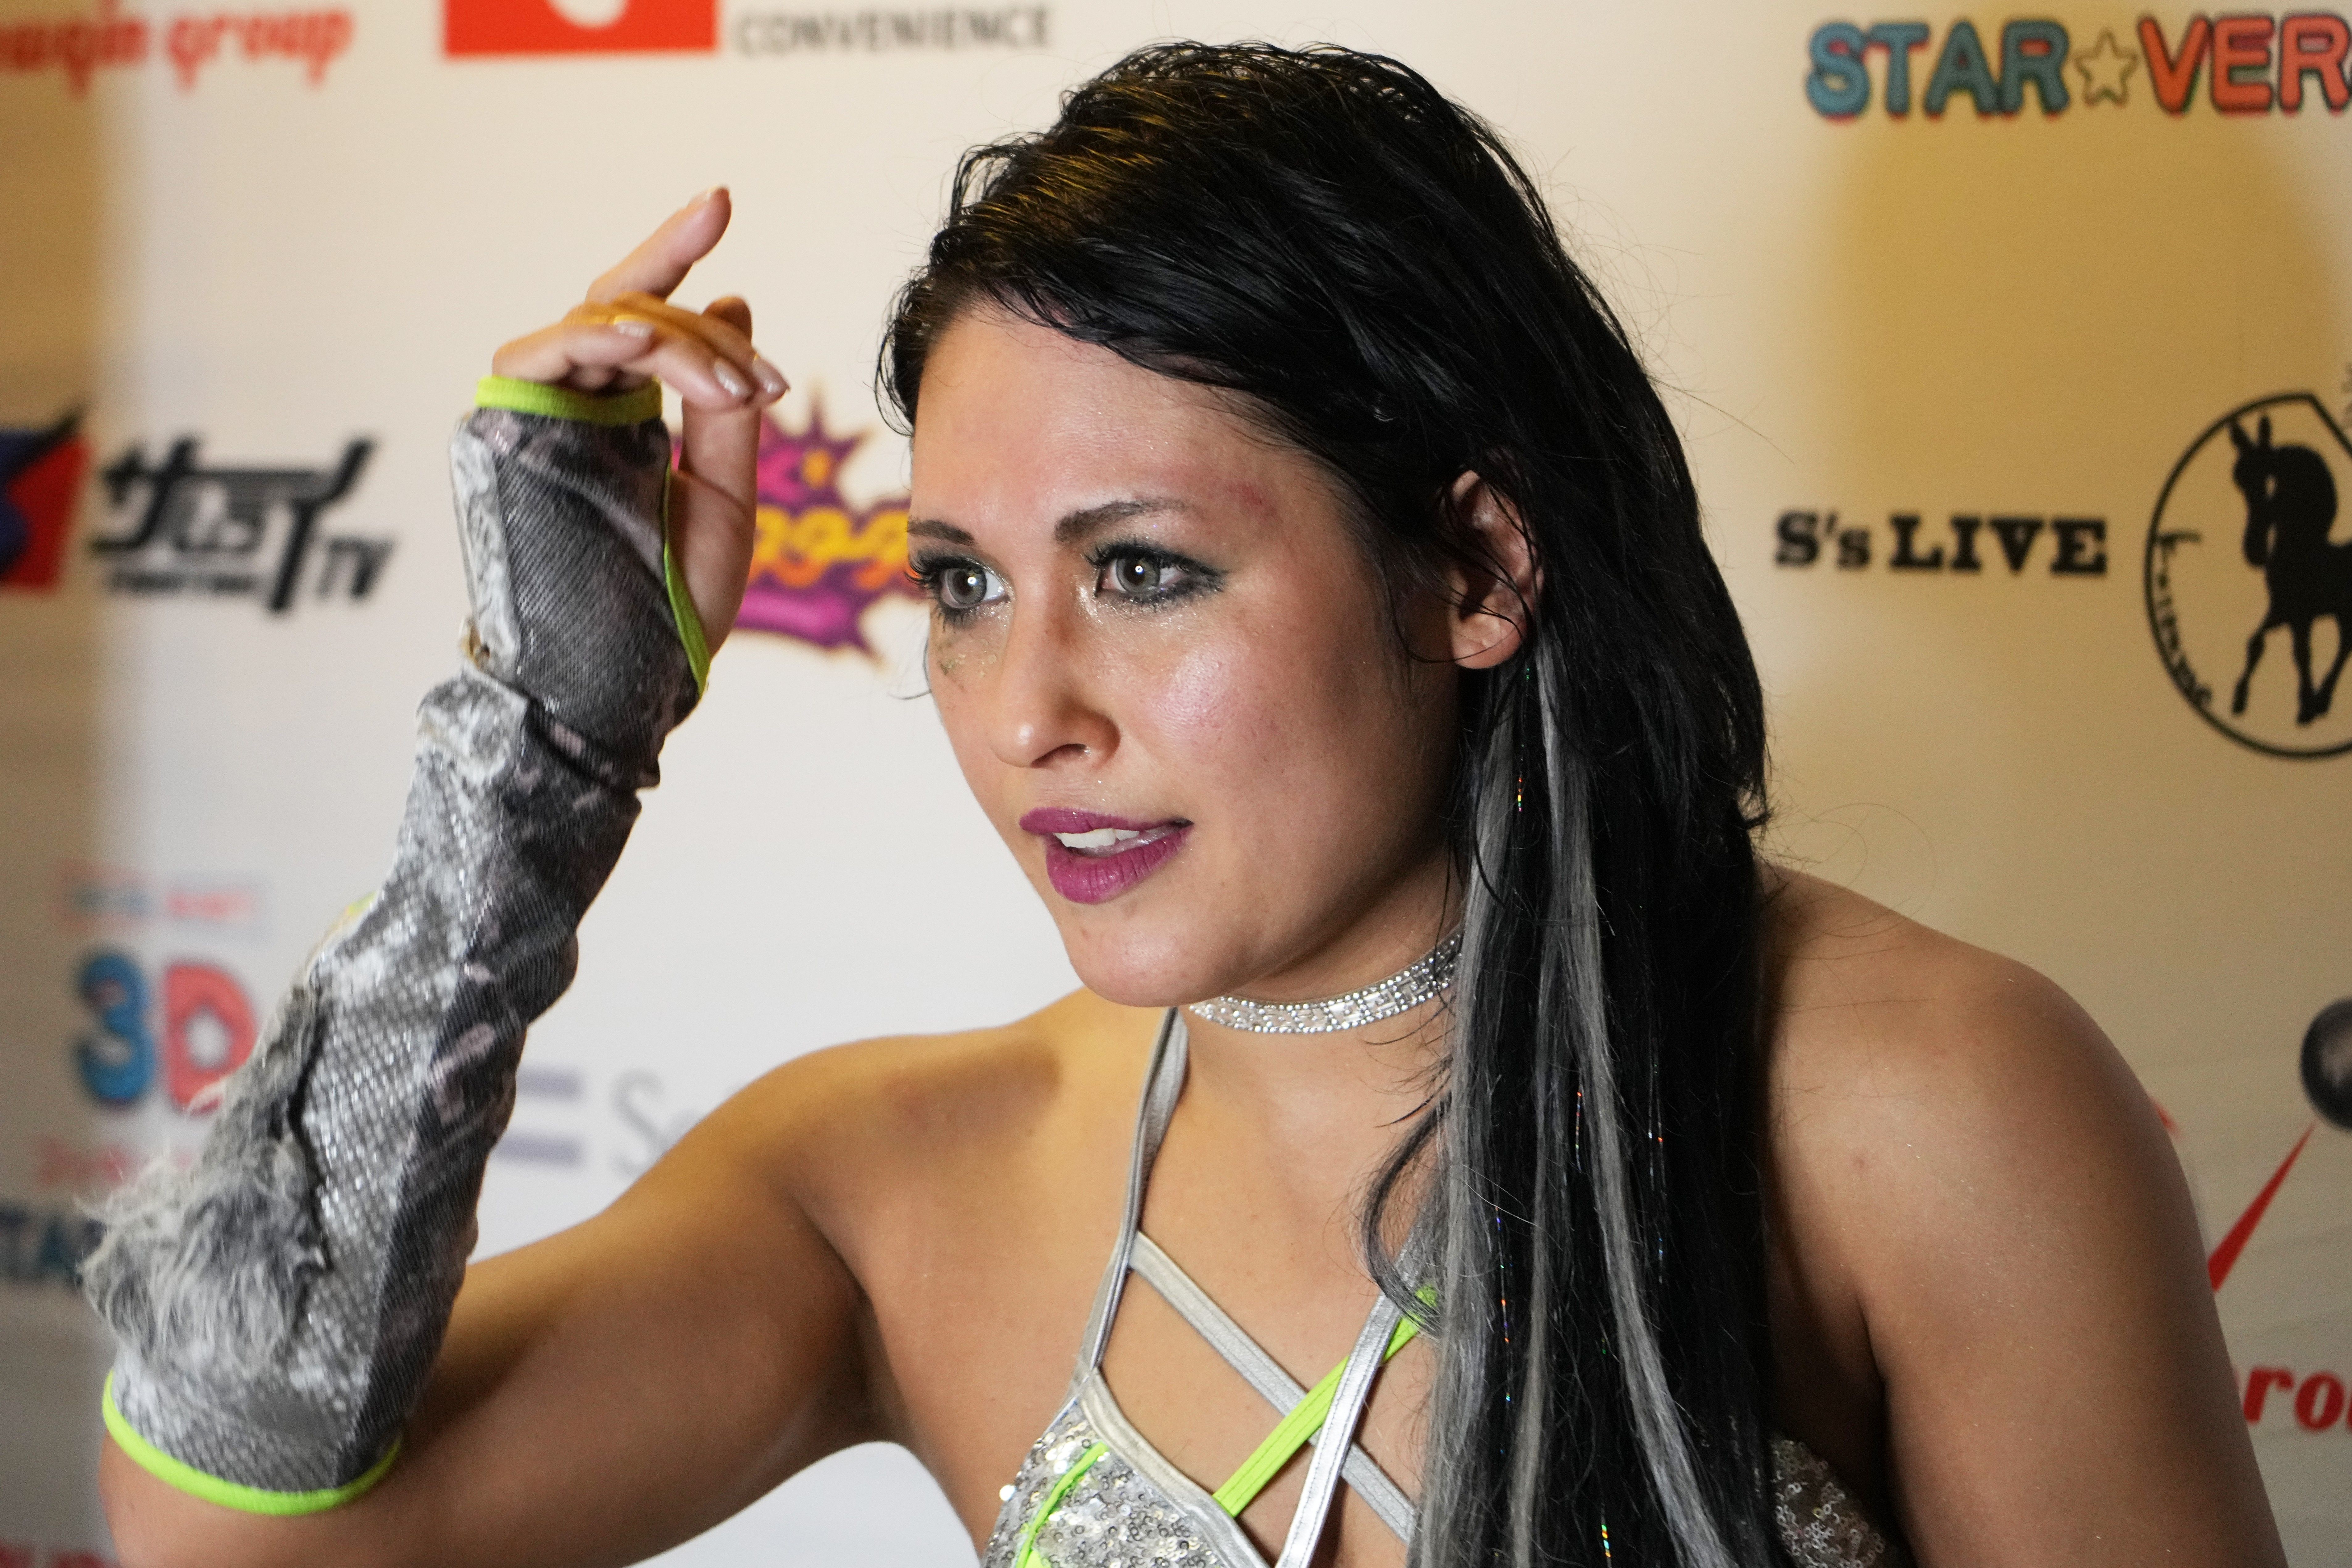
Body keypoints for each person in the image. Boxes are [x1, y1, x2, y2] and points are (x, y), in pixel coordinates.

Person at [84, 43, 2279, 1568]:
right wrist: (544, 749)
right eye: (963, 586)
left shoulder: (1914, 1106)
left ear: (1474, 568)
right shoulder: (902, 1185)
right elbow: (218, 1532)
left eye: (1142, 573)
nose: (1027, 712)